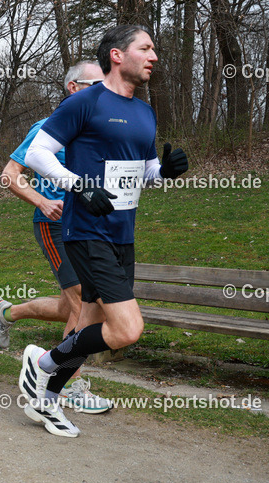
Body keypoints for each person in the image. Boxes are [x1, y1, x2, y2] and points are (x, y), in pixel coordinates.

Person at [20, 24, 189, 437]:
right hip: (87, 231)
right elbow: (37, 153)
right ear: (117, 54)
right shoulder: (86, 101)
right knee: (127, 330)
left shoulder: (144, 111)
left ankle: (46, 399)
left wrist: (164, 172)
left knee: (88, 324)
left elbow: (144, 171)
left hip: (123, 235)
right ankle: (43, 362)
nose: (153, 57)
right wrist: (78, 185)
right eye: (145, 48)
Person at [0, 61, 113, 414]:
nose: (104, 92)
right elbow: (10, 175)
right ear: (73, 87)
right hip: (56, 224)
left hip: (90, 227)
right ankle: (68, 385)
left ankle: (6, 312)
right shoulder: (47, 128)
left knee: (68, 307)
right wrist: (42, 202)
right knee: (81, 303)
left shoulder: (98, 131)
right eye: (96, 84)